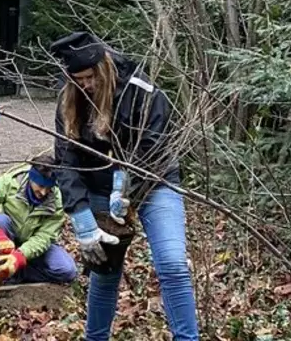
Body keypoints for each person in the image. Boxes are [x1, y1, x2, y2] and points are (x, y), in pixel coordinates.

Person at [50, 31, 199, 341]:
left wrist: (126, 186)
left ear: (103, 66)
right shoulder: (69, 99)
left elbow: (151, 146)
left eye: (90, 76)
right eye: (78, 79)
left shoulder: (141, 90)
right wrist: (80, 216)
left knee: (172, 264)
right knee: (104, 273)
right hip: (99, 189)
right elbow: (66, 159)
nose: (86, 84)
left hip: (155, 183)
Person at [0, 153, 77, 285]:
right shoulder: (9, 182)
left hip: (35, 245)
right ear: (31, 178)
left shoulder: (57, 201)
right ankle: (5, 270)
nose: (43, 192)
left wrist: (21, 255)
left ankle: (20, 272)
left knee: (67, 270)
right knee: (0, 220)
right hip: (9, 239)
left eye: (48, 188)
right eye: (41, 186)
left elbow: (44, 237)